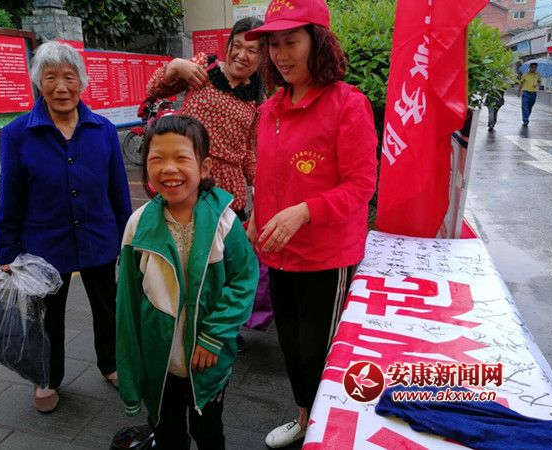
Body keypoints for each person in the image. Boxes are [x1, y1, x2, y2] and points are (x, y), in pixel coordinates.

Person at [244, 1, 378, 447]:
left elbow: (362, 184)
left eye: (291, 42)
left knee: (322, 354)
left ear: (317, 43)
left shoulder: (348, 104)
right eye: (274, 44)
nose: (281, 55)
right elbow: (269, 174)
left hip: (326, 258)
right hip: (279, 253)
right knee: (292, 347)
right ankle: (306, 417)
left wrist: (306, 211)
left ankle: (327, 431)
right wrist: (257, 214)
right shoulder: (272, 108)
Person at [0, 41, 132, 413]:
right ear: (38, 83)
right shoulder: (17, 133)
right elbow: (10, 195)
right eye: (50, 78)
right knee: (47, 317)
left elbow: (118, 191)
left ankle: (111, 364)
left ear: (81, 82)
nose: (60, 87)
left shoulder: (103, 130)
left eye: (69, 77)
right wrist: (7, 250)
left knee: (107, 308)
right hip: (45, 244)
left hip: (99, 237)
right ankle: (47, 377)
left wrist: (128, 239)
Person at [116, 115, 259, 450]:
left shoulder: (224, 220)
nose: (169, 169)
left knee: (209, 431)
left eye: (181, 158)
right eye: (157, 158)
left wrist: (214, 335)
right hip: (159, 362)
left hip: (208, 360)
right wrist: (130, 372)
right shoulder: (138, 226)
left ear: (204, 166)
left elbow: (244, 278)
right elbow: (127, 306)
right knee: (168, 433)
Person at [146, 17, 264, 221]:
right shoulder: (204, 68)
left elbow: (248, 153)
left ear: (262, 57)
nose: (241, 55)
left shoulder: (258, 99)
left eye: (252, 50)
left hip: (228, 192)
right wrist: (175, 66)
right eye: (237, 46)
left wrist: (262, 186)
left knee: (222, 241)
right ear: (229, 45)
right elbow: (153, 90)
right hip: (187, 176)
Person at [518, 62, 540, 126]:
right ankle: (525, 120)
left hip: (533, 94)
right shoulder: (525, 75)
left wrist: (537, 84)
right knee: (525, 107)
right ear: (530, 67)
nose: (534, 69)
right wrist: (519, 92)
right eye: (533, 67)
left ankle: (526, 117)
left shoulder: (537, 75)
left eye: (535, 67)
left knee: (529, 107)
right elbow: (521, 83)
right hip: (526, 93)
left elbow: (539, 82)